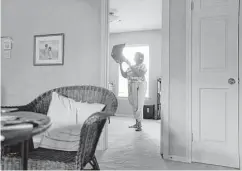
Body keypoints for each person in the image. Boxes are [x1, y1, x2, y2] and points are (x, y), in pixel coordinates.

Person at [119, 52, 147, 131]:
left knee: (139, 104)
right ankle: (137, 123)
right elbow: (124, 75)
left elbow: (139, 74)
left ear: (140, 58)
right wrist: (120, 65)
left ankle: (139, 125)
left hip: (139, 85)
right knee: (134, 104)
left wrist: (129, 64)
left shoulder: (142, 66)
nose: (134, 57)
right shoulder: (131, 67)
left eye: (136, 56)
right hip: (131, 85)